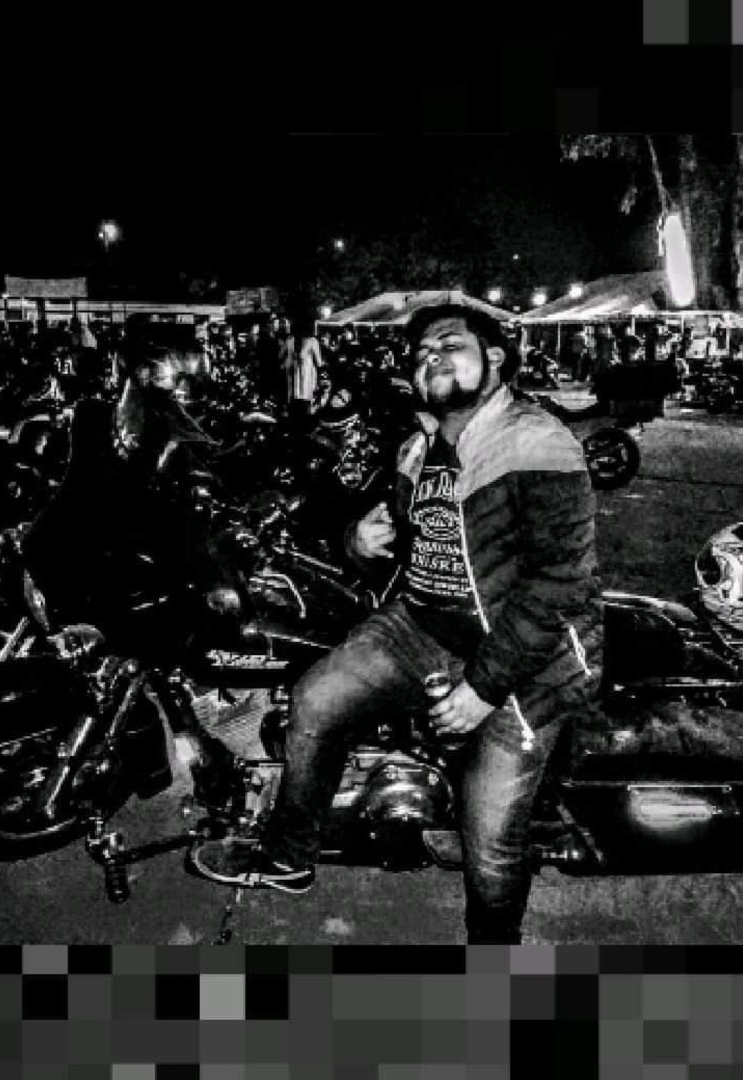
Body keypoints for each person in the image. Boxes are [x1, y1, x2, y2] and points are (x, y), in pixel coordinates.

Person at [192, 302, 604, 944]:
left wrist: (483, 688)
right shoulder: (418, 450)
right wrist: (358, 541)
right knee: (315, 700)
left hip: (525, 662)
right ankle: (290, 853)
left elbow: (559, 585)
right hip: (422, 625)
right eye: (421, 354)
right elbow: (410, 549)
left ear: (495, 358)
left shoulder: (535, 439)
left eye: (450, 345)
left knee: (491, 840)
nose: (432, 358)